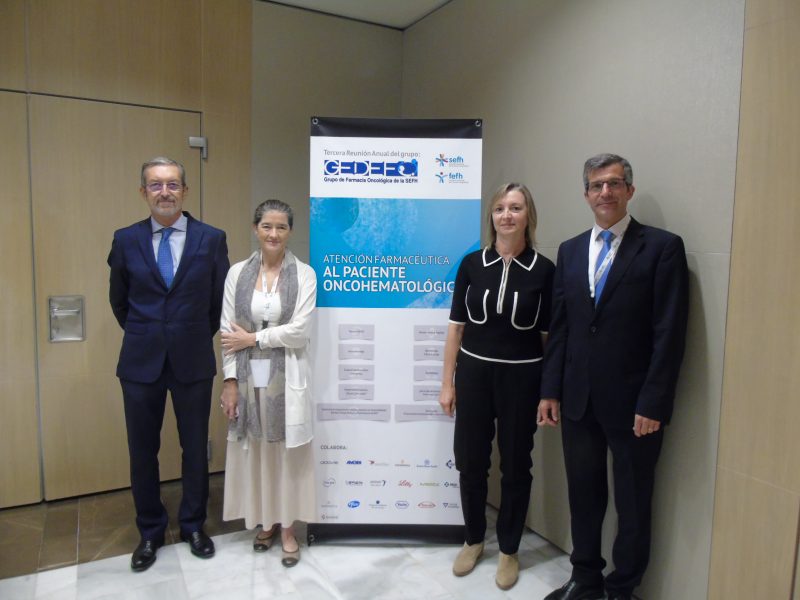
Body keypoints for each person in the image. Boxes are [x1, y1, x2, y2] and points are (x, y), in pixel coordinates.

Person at [538, 154, 689, 600]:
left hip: (635, 405)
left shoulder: (661, 247)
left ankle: (622, 588)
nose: (605, 192)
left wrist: (654, 401)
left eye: (614, 183)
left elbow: (669, 332)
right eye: (596, 185)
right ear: (586, 194)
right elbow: (561, 329)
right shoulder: (569, 250)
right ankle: (584, 578)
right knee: (583, 496)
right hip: (578, 400)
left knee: (633, 502)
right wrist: (550, 390)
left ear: (629, 191)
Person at [108, 157, 229, 572]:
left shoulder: (211, 239)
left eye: (173, 184)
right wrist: (149, 334)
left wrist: (187, 334)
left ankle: (194, 525)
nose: (165, 192)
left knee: (194, 448)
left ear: (185, 190)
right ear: (143, 192)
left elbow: (218, 303)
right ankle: (150, 531)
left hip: (192, 360)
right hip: (140, 363)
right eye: (156, 185)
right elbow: (119, 302)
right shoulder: (125, 239)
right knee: (142, 451)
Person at [439, 183, 554, 590]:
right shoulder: (472, 264)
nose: (507, 215)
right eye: (501, 208)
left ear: (528, 216)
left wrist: (548, 390)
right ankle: (473, 539)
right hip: (473, 375)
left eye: (516, 208)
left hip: (522, 378)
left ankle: (508, 549)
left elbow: (548, 338)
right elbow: (456, 328)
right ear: (491, 216)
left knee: (516, 465)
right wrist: (447, 383)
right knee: (470, 461)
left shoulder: (544, 270)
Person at [219, 199, 317, 568]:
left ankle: (288, 528)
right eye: (267, 226)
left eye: (281, 227)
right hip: (247, 377)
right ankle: (267, 521)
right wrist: (230, 380)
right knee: (257, 450)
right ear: (255, 228)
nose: (273, 234)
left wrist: (255, 339)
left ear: (290, 231)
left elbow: (299, 332)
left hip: (286, 376)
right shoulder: (237, 273)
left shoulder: (304, 275)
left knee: (284, 453)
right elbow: (228, 332)